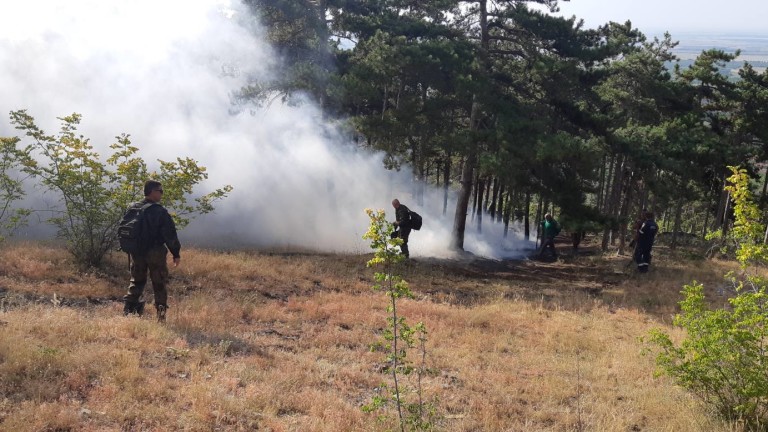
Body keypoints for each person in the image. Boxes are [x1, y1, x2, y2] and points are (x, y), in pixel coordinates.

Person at [122, 180, 181, 321]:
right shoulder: (159, 211)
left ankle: (128, 313)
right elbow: (170, 234)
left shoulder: (133, 208)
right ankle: (161, 317)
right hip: (155, 251)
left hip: (136, 251)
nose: (161, 194)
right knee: (159, 283)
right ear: (152, 192)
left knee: (136, 280)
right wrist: (176, 253)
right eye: (160, 191)